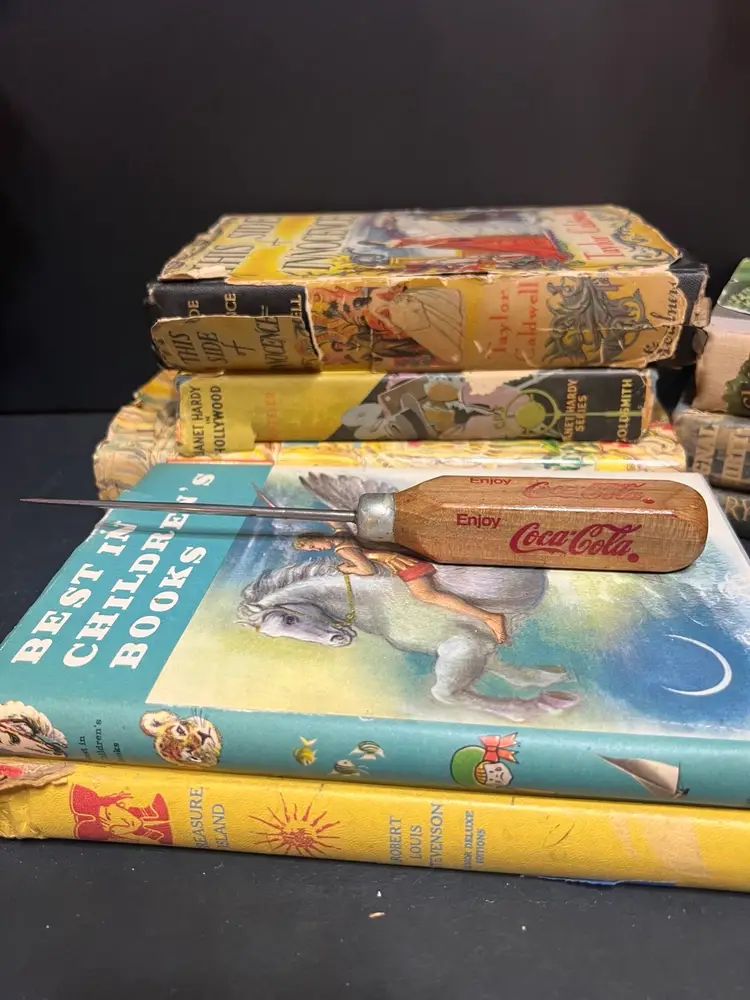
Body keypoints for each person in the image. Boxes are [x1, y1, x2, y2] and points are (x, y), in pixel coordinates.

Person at [293, 534, 509, 644]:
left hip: (403, 564)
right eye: (312, 550)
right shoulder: (342, 535)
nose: (317, 549)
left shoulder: (342, 549)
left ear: (316, 537)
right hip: (400, 558)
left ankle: (489, 617)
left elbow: (367, 570)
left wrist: (347, 568)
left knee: (426, 595)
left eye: (313, 545)